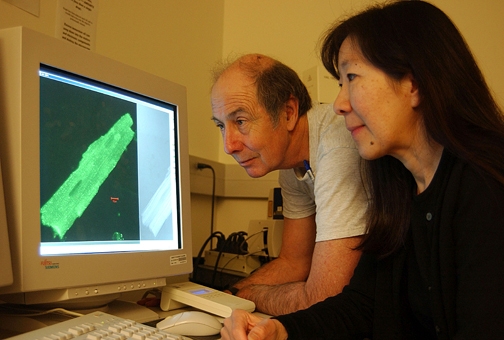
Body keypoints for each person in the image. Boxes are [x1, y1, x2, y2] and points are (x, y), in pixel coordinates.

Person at [220, 0, 504, 339]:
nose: (339, 104)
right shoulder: (400, 188)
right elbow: (363, 305)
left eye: (351, 77)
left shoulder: (486, 190)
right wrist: (280, 330)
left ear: (413, 84)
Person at [210, 53, 368, 316]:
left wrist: (246, 296)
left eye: (240, 121)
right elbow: (294, 262)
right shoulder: (291, 162)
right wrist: (228, 295)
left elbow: (324, 298)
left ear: (288, 112)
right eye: (221, 126)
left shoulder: (337, 144)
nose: (229, 146)